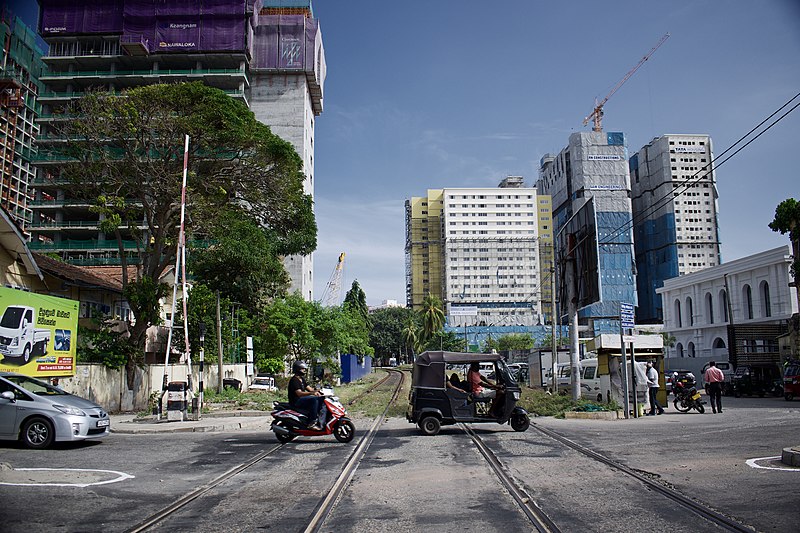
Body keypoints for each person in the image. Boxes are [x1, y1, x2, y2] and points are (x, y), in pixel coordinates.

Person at [288, 360, 325, 429]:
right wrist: (312, 393)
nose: (304, 370)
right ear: (297, 369)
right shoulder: (294, 380)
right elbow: (299, 393)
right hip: (296, 401)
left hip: (301, 399)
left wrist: (319, 391)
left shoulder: (302, 379)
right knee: (314, 400)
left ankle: (321, 419)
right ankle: (312, 422)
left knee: (321, 399)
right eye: (302, 369)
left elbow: (310, 389)